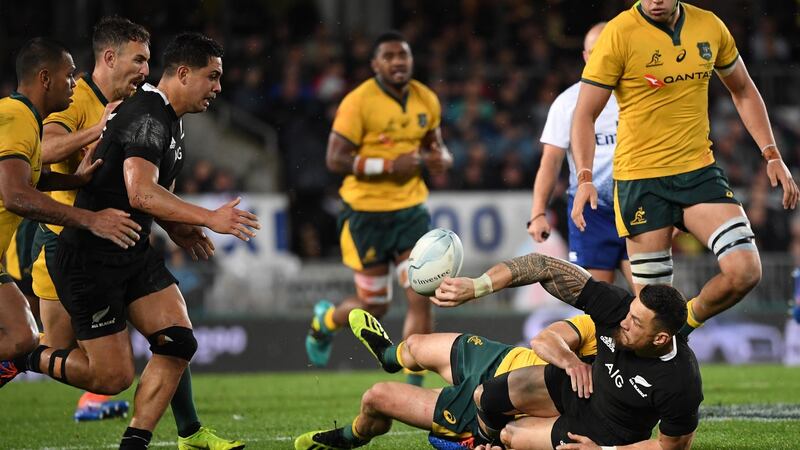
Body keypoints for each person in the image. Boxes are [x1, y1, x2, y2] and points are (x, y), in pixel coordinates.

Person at [3, 33, 258, 450]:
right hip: (89, 256)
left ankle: (140, 442)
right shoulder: (147, 116)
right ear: (183, 73)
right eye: (212, 77)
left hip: (130, 249)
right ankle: (27, 357)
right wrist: (209, 217)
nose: (218, 88)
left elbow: (151, 197)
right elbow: (140, 191)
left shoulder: (170, 119)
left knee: (178, 340)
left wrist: (177, 226)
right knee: (112, 377)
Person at [569, 0, 799, 337]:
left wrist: (772, 153)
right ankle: (630, 361)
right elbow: (584, 113)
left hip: (698, 172)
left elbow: (744, 89)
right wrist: (585, 176)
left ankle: (684, 323)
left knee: (745, 270)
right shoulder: (619, 33)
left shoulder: (709, 26)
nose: (656, 1)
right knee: (651, 311)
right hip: (640, 181)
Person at [432, 252, 702, 450]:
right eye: (630, 313)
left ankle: (495, 444)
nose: (624, 321)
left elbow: (671, 447)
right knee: (485, 396)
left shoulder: (680, 380)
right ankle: (479, 443)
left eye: (636, 322)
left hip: (603, 432)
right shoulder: (618, 308)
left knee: (510, 435)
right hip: (582, 385)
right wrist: (479, 286)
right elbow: (543, 266)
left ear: (661, 339)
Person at [305, 30, 453, 386]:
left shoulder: (426, 99)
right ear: (375, 64)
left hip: (411, 212)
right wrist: (387, 166)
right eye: (388, 56)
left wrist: (442, 160)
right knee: (375, 306)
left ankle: (413, 385)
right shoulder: (358, 102)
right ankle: (324, 322)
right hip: (365, 214)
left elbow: (438, 148)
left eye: (403, 55)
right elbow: (334, 158)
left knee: (421, 294)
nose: (398, 62)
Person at [0, 37, 142, 366]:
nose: (74, 83)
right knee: (23, 339)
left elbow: (28, 178)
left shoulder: (24, 117)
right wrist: (90, 219)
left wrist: (73, 181)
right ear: (45, 78)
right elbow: (15, 194)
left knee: (23, 339)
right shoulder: (16, 116)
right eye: (69, 75)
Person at [294, 308, 597, 450]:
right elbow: (544, 339)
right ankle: (388, 356)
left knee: (375, 398)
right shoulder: (604, 326)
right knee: (415, 344)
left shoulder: (619, 388)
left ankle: (351, 437)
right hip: (502, 358)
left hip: (496, 406)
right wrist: (571, 361)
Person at [529, 23, 631, 287]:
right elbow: (550, 162)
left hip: (639, 206)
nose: (602, 58)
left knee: (654, 303)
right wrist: (538, 212)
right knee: (601, 307)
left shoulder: (640, 96)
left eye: (608, 51)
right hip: (591, 215)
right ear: (586, 57)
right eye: (595, 53)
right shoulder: (567, 103)